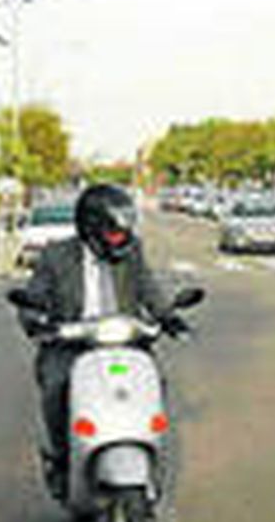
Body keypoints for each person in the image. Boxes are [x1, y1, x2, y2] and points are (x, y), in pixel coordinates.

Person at [18, 184, 183, 496]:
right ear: (91, 227)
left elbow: (148, 287)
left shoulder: (131, 252)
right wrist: (36, 319)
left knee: (155, 382)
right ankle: (61, 457)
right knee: (56, 387)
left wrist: (167, 315)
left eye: (124, 229)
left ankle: (148, 450)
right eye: (114, 231)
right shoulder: (56, 255)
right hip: (69, 344)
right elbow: (34, 295)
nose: (121, 237)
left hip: (125, 342)